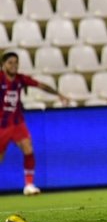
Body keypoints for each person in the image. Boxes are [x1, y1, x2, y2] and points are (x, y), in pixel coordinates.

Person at [1, 51, 69, 196]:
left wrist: (58, 94)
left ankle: (29, 184)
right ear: (3, 65)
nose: (14, 65)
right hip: (2, 125)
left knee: (28, 148)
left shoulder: (20, 79)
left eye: (16, 62)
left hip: (17, 122)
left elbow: (41, 85)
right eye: (10, 62)